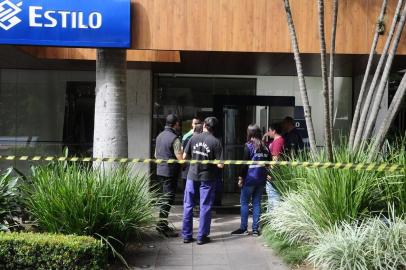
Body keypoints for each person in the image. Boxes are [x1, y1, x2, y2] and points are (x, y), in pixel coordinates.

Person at [182, 117, 224, 245]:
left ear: (204, 125)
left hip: (191, 176)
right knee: (205, 206)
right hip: (207, 177)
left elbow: (184, 157)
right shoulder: (216, 142)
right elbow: (220, 165)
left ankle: (187, 236)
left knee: (188, 205)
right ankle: (201, 236)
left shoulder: (193, 138)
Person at [231, 124, 270, 236]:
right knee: (257, 203)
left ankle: (243, 228)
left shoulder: (248, 146)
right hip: (261, 180)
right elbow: (269, 162)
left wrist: (240, 178)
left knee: (244, 203)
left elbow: (244, 165)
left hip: (249, 179)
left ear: (249, 133)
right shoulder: (265, 147)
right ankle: (255, 230)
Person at [155, 114, 183, 237]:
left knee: (164, 198)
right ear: (175, 124)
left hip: (160, 171)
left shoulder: (159, 136)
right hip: (170, 173)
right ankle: (161, 227)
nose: (179, 125)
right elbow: (180, 158)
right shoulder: (175, 138)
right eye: (178, 123)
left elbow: (156, 155)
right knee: (167, 199)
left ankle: (163, 224)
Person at [266, 123, 285, 211]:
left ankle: (273, 218)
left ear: (274, 131)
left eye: (269, 130)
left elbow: (275, 159)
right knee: (271, 197)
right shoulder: (277, 141)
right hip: (275, 175)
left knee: (273, 197)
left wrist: (270, 173)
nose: (268, 132)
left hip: (274, 176)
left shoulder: (278, 142)